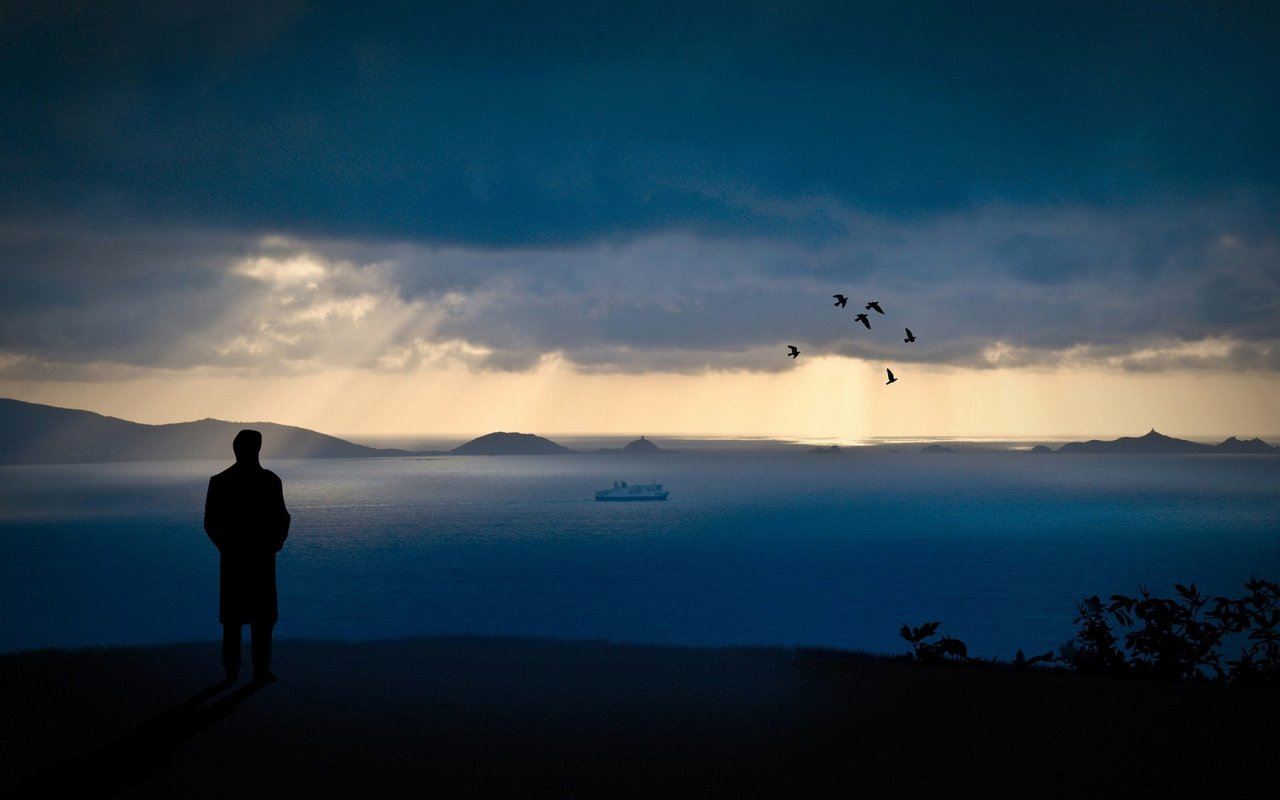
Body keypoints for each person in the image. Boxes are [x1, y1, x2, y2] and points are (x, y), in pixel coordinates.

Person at [204, 429, 291, 684]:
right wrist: (273, 543)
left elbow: (211, 523)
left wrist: (228, 547)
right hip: (256, 560)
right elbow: (282, 518)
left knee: (243, 622)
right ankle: (252, 672)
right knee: (251, 621)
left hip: (240, 561)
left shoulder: (221, 482)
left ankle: (243, 673)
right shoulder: (269, 481)